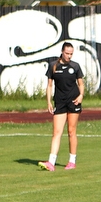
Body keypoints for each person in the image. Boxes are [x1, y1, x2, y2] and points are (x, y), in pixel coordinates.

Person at [38, 42, 84, 171]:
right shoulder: (53, 66)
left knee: (71, 131)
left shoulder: (75, 66)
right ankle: (51, 162)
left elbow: (81, 84)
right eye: (67, 53)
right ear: (62, 52)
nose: (69, 56)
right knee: (56, 132)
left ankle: (72, 161)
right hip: (60, 102)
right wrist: (48, 102)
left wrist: (81, 96)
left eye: (71, 54)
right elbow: (49, 86)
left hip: (74, 101)